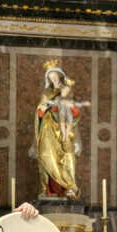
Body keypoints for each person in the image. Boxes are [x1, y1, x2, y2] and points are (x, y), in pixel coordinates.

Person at [30, 67, 89, 199]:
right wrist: (43, 109)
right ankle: (49, 189)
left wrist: (63, 107)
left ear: (60, 76)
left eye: (55, 76)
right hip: (48, 129)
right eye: (51, 77)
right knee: (46, 155)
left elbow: (72, 110)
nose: (53, 79)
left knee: (66, 157)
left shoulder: (66, 90)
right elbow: (40, 110)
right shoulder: (46, 92)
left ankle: (69, 187)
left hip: (64, 130)